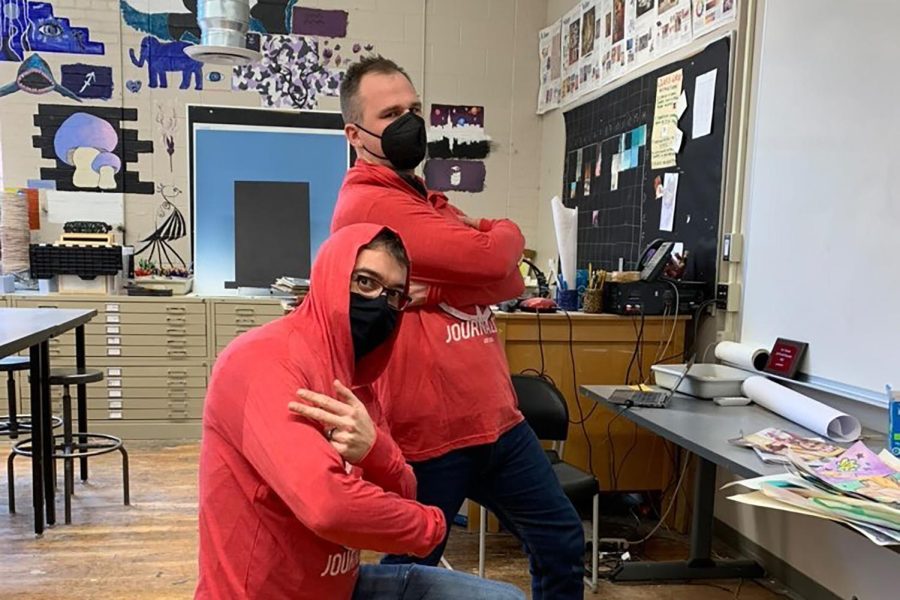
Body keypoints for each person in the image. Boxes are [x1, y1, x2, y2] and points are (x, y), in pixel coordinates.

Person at [332, 56, 586, 599]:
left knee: (561, 541)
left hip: (497, 422)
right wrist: (500, 231)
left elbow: (510, 280)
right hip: (430, 438)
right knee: (410, 569)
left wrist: (445, 287)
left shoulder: (424, 201)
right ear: (355, 134)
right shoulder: (371, 206)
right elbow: (497, 259)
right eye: (393, 112)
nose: (411, 124)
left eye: (416, 109)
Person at [196, 223, 524, 600]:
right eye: (365, 282)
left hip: (338, 587)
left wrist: (377, 451)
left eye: (394, 294)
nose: (380, 304)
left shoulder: (358, 380)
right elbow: (329, 507)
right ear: (330, 279)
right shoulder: (264, 361)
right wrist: (431, 527)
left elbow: (406, 492)